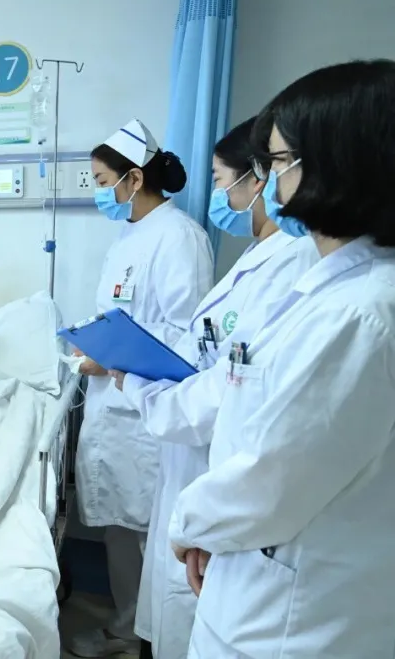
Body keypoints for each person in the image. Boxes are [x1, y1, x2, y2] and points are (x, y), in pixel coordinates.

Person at [168, 59, 395, 658]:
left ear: (337, 162)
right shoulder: (335, 291)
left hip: (288, 621)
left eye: (277, 161)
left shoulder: (359, 315)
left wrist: (191, 523)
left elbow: (272, 478)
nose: (267, 180)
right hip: (260, 582)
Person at [108, 116, 318, 658]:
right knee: (171, 608)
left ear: (260, 177)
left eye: (222, 180)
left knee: (189, 611)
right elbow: (205, 348)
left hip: (209, 458)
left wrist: (135, 380)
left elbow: (225, 385)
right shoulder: (258, 255)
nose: (219, 195)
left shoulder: (293, 263)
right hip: (186, 446)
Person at [68, 118, 214, 658]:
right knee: (119, 529)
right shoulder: (130, 236)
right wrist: (95, 344)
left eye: (103, 181)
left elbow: (187, 336)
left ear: (134, 178)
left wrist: (111, 357)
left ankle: (145, 636)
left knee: (150, 533)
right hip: (116, 406)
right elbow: (124, 316)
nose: (99, 192)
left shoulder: (180, 237)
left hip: (148, 415)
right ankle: (127, 627)